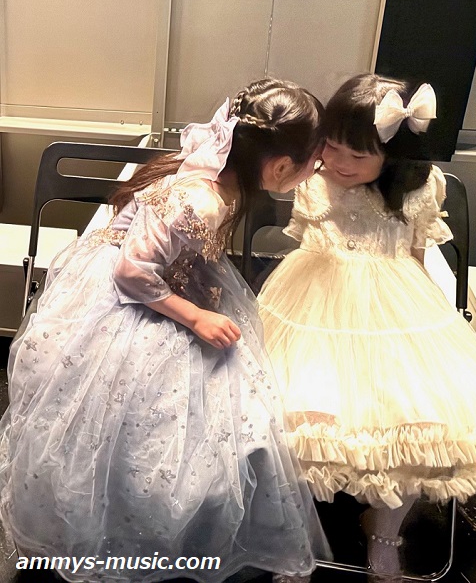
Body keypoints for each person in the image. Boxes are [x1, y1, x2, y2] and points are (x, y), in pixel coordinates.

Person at [0, 78, 331, 582]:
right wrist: (195, 316)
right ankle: (132, 532)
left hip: (169, 278)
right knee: (142, 422)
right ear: (282, 166)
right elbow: (131, 273)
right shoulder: (201, 199)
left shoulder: (220, 171)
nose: (314, 173)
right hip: (131, 296)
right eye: (313, 164)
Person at [258, 74, 476, 581]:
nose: (339, 162)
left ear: (393, 156)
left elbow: (415, 256)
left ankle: (386, 529)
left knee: (424, 417)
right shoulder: (312, 179)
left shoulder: (420, 187)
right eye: (332, 146)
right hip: (313, 301)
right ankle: (294, 530)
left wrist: (429, 324)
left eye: (358, 154)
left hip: (394, 300)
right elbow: (302, 235)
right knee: (290, 413)